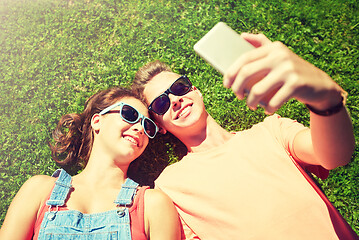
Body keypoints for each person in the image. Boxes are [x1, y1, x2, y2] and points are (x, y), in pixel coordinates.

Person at [131, 33, 358, 239]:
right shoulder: (170, 186)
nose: (175, 100)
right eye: (161, 102)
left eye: (179, 87)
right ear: (159, 125)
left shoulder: (272, 131)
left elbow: (336, 156)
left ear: (196, 90)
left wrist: (324, 98)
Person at [0, 87, 181, 240]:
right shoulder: (39, 190)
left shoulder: (153, 205)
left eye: (148, 126)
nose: (140, 128)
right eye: (129, 114)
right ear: (97, 121)